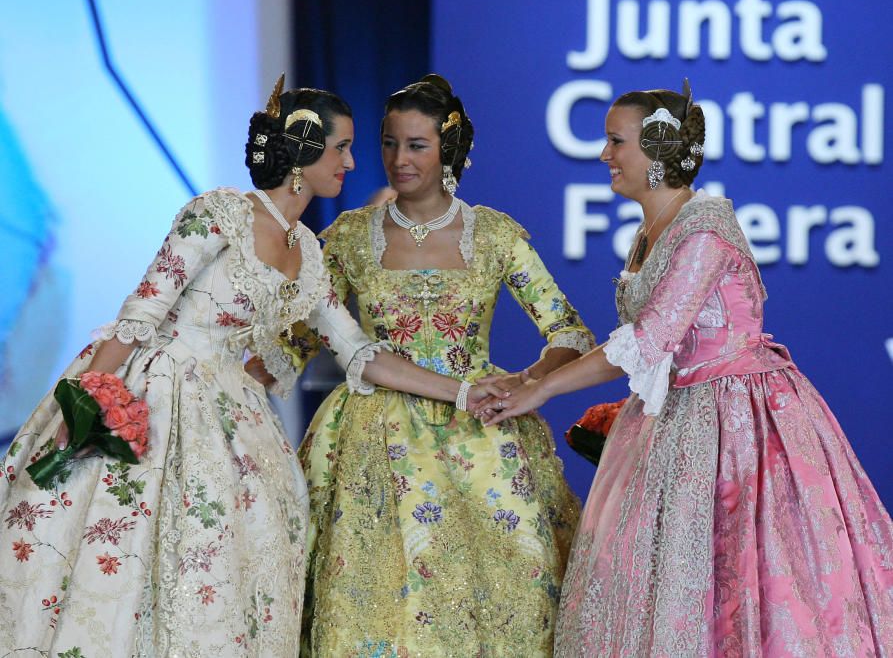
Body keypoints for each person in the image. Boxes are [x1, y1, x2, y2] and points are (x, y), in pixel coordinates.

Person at [0, 78, 500, 657]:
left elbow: (361, 353)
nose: (354, 162)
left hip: (233, 415)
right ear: (304, 152)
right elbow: (141, 312)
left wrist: (463, 392)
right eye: (341, 148)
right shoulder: (220, 213)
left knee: (234, 562)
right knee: (118, 554)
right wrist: (87, 401)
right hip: (157, 391)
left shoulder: (309, 252)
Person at [483, 81, 893, 655]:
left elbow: (648, 340)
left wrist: (541, 391)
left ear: (655, 151)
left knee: (740, 573)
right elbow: (646, 347)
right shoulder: (656, 229)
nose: (604, 155)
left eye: (614, 142)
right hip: (679, 414)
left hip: (737, 420)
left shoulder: (703, 230)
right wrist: (531, 379)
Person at [290, 74, 593, 656]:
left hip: (481, 430)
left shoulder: (496, 234)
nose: (398, 159)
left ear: (447, 149)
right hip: (370, 438)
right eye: (388, 143)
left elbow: (568, 331)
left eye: (416, 145)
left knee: (513, 597)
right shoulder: (349, 235)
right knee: (377, 601)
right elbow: (301, 337)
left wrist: (525, 382)